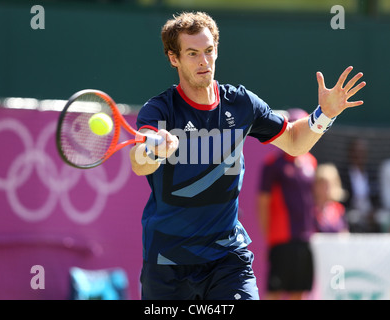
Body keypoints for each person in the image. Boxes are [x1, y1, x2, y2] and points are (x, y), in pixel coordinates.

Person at [128, 11, 366, 300]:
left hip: (227, 259)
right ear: (173, 58)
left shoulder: (241, 104)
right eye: (192, 53)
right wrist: (153, 149)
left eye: (209, 51)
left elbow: (294, 141)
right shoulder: (159, 110)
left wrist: (324, 114)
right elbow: (139, 162)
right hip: (168, 262)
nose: (204, 61)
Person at [257, 108, 317, 300]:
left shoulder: (311, 162)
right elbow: (262, 204)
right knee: (274, 292)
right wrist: (270, 237)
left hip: (306, 239)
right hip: (281, 239)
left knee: (299, 291)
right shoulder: (273, 164)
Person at [340, 137, 379, 232]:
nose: (359, 155)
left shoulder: (371, 172)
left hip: (370, 212)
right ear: (350, 153)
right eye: (356, 152)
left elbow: (377, 195)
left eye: (362, 152)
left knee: (382, 218)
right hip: (351, 211)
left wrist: (373, 210)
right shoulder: (343, 173)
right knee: (353, 219)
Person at [313, 163, 348, 233]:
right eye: (322, 184)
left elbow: (344, 232)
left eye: (329, 184)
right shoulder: (310, 210)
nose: (326, 189)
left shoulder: (338, 209)